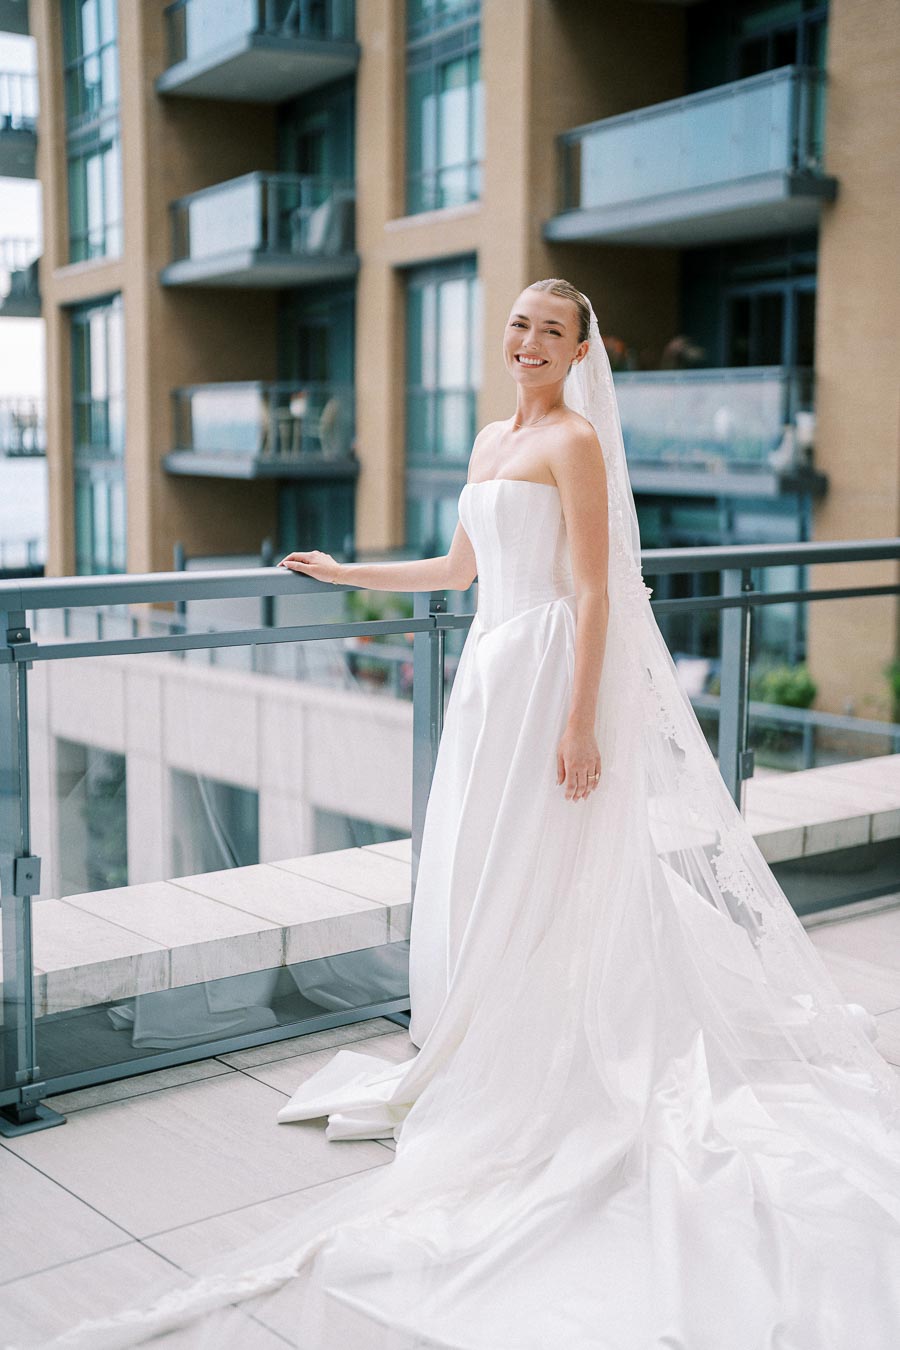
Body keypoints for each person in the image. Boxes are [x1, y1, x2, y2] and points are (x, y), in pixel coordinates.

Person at [29, 282, 900, 1350]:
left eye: (552, 329)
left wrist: (581, 724)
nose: (529, 340)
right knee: (484, 861)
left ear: (582, 351)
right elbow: (458, 569)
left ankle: (549, 1058)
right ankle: (484, 1033)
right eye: (520, 323)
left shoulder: (576, 442)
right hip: (490, 676)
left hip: (548, 676)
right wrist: (349, 570)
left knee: (552, 861)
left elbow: (593, 594)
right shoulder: (494, 436)